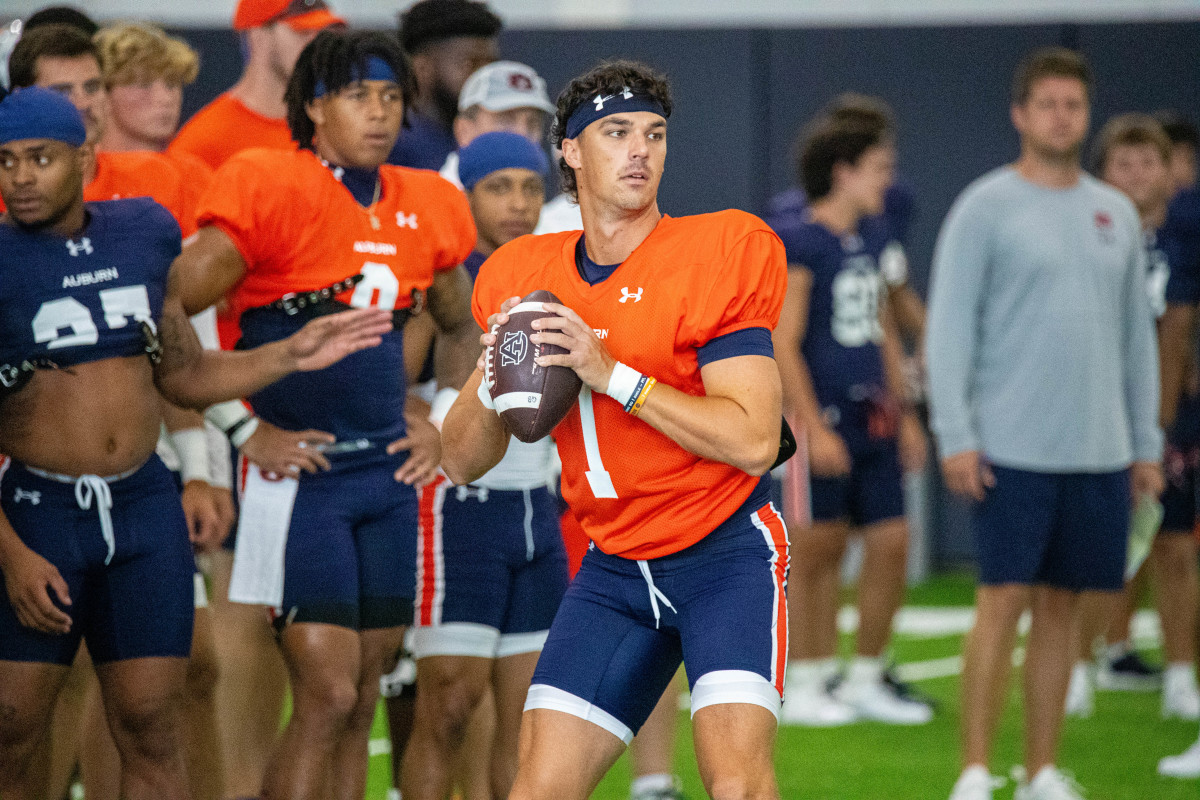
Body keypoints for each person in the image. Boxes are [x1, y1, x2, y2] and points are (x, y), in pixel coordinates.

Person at [0, 86, 390, 800]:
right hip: (39, 511)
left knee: (153, 723)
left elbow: (182, 374)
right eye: (7, 162)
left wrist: (288, 354)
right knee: (13, 729)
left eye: (41, 158)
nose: (22, 177)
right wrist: (12, 551)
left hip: (143, 506)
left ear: (84, 158)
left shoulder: (143, 230)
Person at [441, 59, 789, 800]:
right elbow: (464, 461)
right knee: (537, 789)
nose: (641, 150)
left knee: (737, 785)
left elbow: (755, 439)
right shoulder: (523, 273)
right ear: (568, 150)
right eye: (616, 132)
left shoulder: (716, 250)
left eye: (655, 134)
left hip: (723, 553)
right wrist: (489, 374)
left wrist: (614, 376)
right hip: (615, 564)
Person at [170, 29, 479, 800]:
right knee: (328, 692)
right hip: (300, 476)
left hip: (386, 472)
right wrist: (244, 427)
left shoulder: (427, 203)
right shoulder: (269, 184)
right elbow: (165, 311)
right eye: (355, 96)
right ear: (313, 106)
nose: (377, 114)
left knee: (365, 689)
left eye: (388, 97)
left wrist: (436, 412)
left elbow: (463, 322)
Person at [927, 48, 1163, 800]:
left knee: (1065, 612)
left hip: (1099, 453)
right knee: (1000, 603)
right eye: (1049, 103)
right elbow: (950, 332)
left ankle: (1039, 772)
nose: (1063, 116)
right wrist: (955, 434)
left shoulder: (1115, 212)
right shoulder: (984, 206)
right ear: (1021, 114)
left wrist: (1144, 446)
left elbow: (1136, 340)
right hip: (1009, 450)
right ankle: (973, 769)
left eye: (1074, 104)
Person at [399, 130, 567, 800]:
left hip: (536, 509)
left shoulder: (559, 272)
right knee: (448, 706)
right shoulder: (447, 280)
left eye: (530, 187)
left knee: (528, 719)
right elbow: (389, 376)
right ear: (463, 197)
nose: (518, 202)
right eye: (499, 187)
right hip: (456, 513)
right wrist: (419, 426)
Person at [773, 111, 930, 727]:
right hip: (825, 416)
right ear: (843, 172)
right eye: (878, 169)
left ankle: (866, 674)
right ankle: (807, 677)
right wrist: (809, 426)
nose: (887, 182)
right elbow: (783, 341)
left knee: (892, 540)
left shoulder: (872, 235)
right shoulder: (802, 239)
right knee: (819, 548)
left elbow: (884, 326)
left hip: (877, 417)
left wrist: (909, 413)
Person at [1067, 114, 1200, 723]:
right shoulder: (1080, 231)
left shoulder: (1181, 239)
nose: (1138, 174)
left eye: (1150, 161)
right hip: (1091, 410)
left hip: (1165, 414)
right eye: (1124, 162)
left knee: (1173, 547)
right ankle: (1074, 664)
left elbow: (1175, 335)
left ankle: (1179, 676)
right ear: (1102, 171)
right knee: (1093, 553)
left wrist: (1161, 423)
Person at [168, 0, 344, 171]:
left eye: (323, 34)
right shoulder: (203, 144)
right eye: (302, 32)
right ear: (258, 36)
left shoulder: (340, 129)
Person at [389, 0, 501, 170]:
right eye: (470, 64)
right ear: (422, 68)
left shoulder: (487, 139)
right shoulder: (388, 145)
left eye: (490, 65)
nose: (484, 76)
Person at [436, 59, 555, 188]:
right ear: (464, 130)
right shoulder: (432, 201)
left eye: (533, 123)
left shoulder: (540, 205)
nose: (522, 134)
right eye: (506, 121)